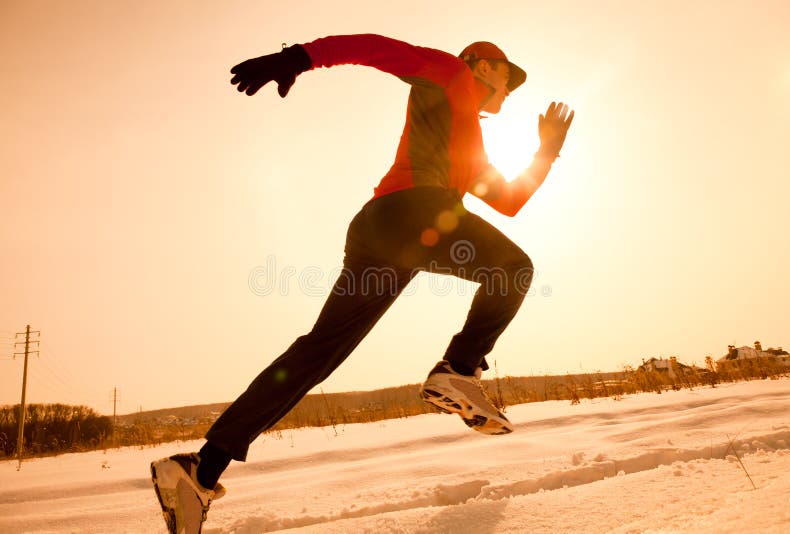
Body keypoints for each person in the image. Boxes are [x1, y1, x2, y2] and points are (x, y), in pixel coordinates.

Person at [151, 33, 573, 533]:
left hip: (383, 232)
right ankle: (459, 368)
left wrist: (546, 152)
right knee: (513, 269)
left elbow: (507, 200)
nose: (512, 86)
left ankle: (200, 469)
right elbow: (374, 47)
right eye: (508, 74)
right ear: (480, 66)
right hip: (413, 213)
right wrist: (298, 58)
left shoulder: (468, 142)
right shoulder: (450, 73)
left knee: (317, 354)